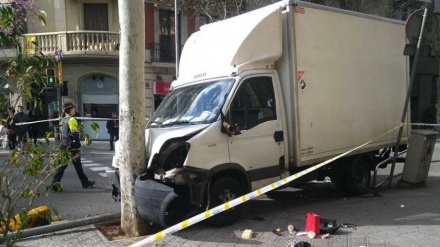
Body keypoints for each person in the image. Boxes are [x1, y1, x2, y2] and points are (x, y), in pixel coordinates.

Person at [51, 102, 95, 192]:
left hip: (64, 145)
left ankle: (84, 181)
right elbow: (74, 134)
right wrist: (77, 147)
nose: (75, 110)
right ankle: (55, 184)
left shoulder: (63, 119)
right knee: (74, 166)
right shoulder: (72, 120)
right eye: (74, 108)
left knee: (66, 166)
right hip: (72, 146)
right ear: (70, 109)